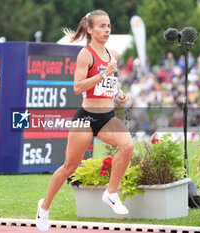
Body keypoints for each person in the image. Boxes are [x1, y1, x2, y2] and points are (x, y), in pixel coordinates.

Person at [36, 10, 134, 231]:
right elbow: (78, 87)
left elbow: (110, 83)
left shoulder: (113, 54)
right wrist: (103, 73)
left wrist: (118, 93)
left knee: (127, 146)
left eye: (108, 26)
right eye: (101, 26)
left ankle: (110, 193)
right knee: (69, 167)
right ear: (90, 29)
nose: (107, 30)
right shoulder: (85, 54)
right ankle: (44, 207)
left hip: (107, 117)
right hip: (86, 118)